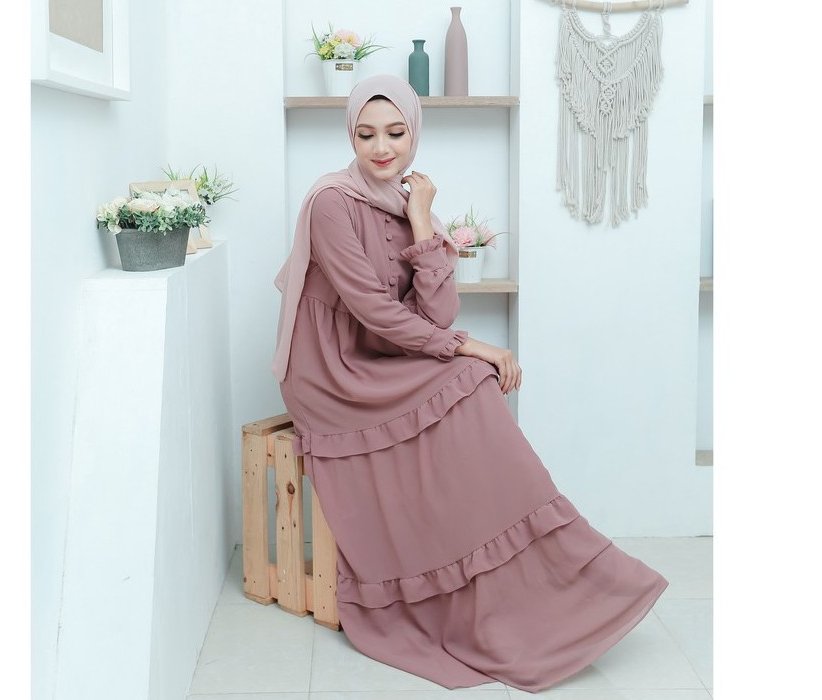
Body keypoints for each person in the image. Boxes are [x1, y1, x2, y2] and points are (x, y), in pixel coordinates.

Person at [272, 74, 667, 692]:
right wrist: (473, 346)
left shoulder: (408, 203)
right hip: (331, 371)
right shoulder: (330, 202)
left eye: (396, 133)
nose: (382, 148)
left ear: (414, 134)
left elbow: (437, 315)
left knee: (471, 381)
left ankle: (541, 577)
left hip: (383, 357)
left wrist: (421, 221)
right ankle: (462, 585)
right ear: (350, 136)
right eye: (366, 135)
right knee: (471, 370)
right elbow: (375, 312)